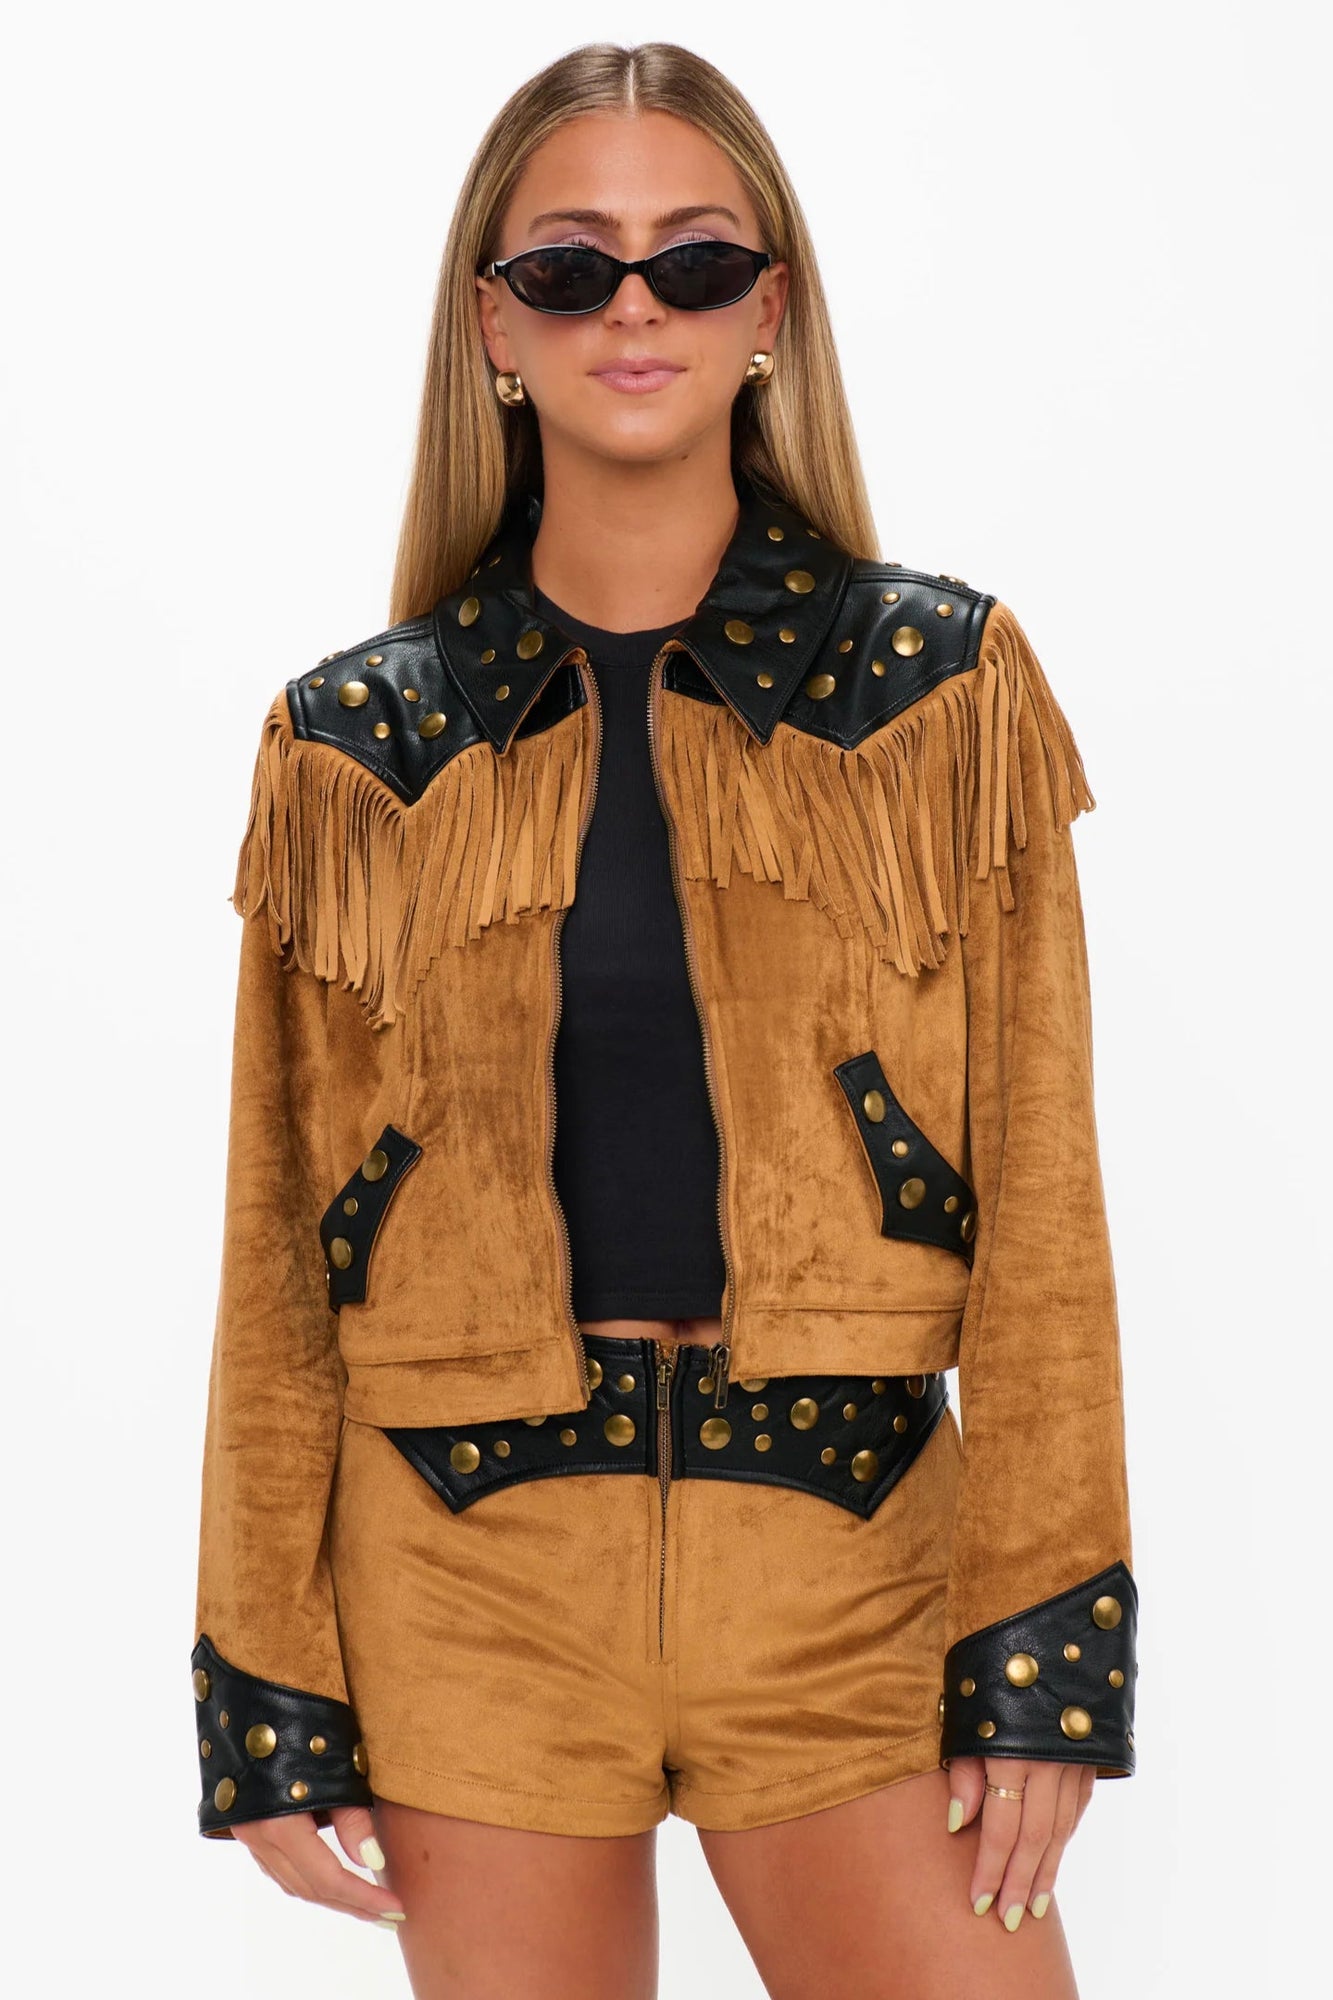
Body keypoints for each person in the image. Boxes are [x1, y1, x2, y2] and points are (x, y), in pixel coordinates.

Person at [189, 40, 1137, 2000]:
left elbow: (1045, 1192)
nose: (635, 308)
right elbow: (277, 1248)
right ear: (494, 327)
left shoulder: (935, 688)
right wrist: (262, 1672)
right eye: (570, 266)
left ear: (768, 310)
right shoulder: (353, 744)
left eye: (692, 262)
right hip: (465, 1564)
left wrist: (1045, 1632)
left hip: (851, 1547)